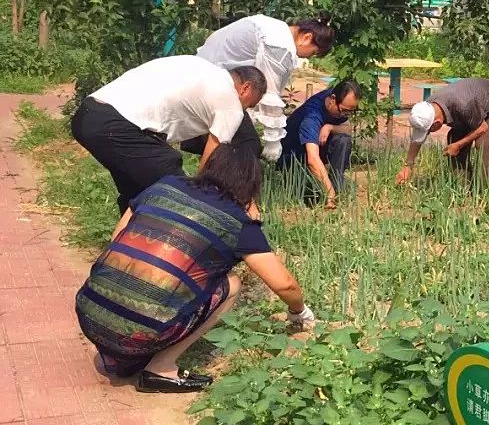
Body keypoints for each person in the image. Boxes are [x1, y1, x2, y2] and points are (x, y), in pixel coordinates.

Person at [74, 145, 314, 392]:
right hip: (142, 331)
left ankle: (125, 346)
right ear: (252, 185)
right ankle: (161, 369)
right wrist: (299, 311)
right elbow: (284, 284)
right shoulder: (237, 223)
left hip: (89, 314)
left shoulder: (164, 186)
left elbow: (117, 239)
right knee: (232, 283)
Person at [71, 56, 266, 214]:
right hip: (117, 125)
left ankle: (125, 252)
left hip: (89, 115)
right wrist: (235, 201)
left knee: (138, 192)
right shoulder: (230, 100)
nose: (245, 110)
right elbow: (211, 163)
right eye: (249, 104)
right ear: (245, 88)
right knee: (177, 193)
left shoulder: (199, 66)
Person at [184, 12, 336, 161]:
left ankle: (208, 176)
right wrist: (273, 141)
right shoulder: (280, 46)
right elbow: (270, 94)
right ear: (307, 37)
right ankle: (209, 181)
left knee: (224, 143)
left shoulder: (273, 27)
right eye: (313, 53)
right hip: (211, 85)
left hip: (201, 75)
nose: (308, 57)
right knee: (248, 146)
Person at [397, 78, 489, 185]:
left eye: (429, 131)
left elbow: (482, 128)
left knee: (483, 143)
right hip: (476, 106)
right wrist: (408, 166)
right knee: (453, 138)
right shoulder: (428, 108)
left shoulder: (463, 105)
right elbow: (417, 140)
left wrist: (458, 145)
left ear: (436, 123)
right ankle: (463, 185)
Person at [278, 79, 362, 210]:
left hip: (315, 147)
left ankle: (337, 186)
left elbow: (348, 129)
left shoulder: (337, 100)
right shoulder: (311, 117)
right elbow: (312, 159)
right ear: (332, 100)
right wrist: (328, 191)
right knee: (309, 195)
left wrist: (330, 127)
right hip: (293, 158)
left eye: (351, 112)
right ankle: (329, 191)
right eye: (344, 111)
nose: (345, 115)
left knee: (343, 141)